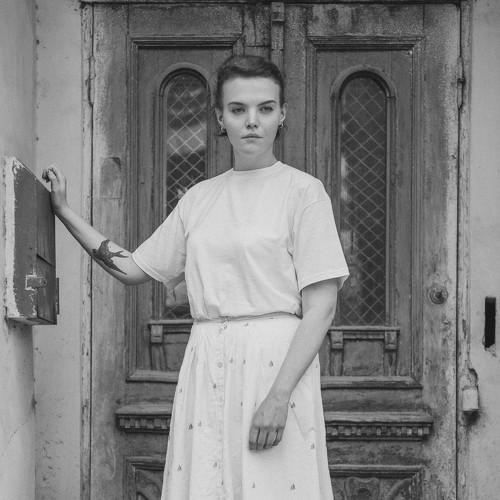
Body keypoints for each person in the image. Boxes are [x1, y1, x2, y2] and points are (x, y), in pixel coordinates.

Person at [42, 55, 349, 499]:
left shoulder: (303, 192)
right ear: (220, 117)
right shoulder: (199, 200)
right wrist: (65, 212)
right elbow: (133, 268)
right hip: (207, 360)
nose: (252, 121)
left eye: (265, 108)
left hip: (275, 365)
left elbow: (321, 307)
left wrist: (279, 396)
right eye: (238, 109)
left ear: (282, 114)